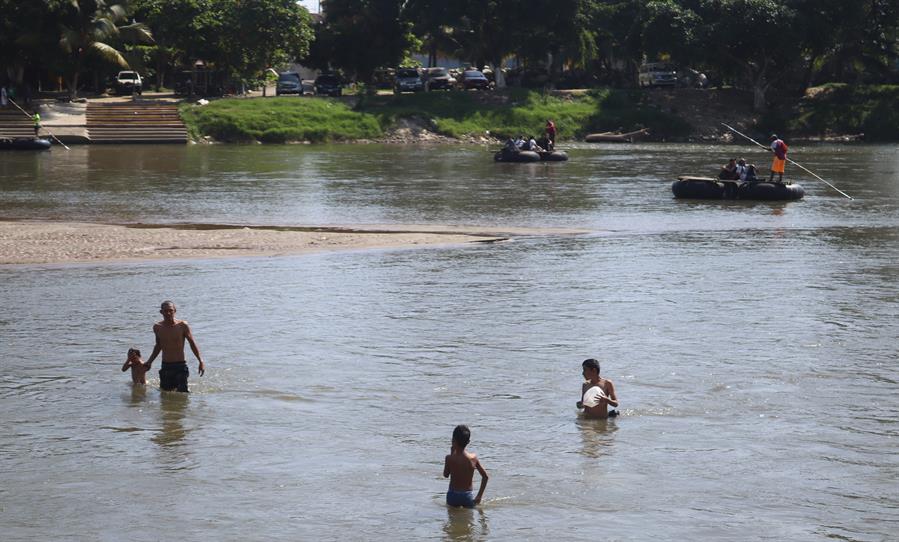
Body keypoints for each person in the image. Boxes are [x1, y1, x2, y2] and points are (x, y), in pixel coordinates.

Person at [146, 300, 205, 392]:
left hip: (180, 365)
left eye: (171, 310)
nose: (168, 313)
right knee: (165, 394)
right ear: (161, 312)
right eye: (165, 311)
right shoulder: (157, 327)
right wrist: (149, 362)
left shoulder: (182, 325)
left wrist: (200, 361)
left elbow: (192, 343)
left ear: (175, 311)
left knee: (183, 394)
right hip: (166, 366)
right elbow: (158, 346)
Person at [443, 425, 489, 508]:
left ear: (453, 440)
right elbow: (485, 477)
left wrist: (452, 453)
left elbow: (446, 475)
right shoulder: (473, 458)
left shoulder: (449, 458)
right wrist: (479, 496)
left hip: (452, 496)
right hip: (467, 496)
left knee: (452, 519)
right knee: (468, 519)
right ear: (468, 441)